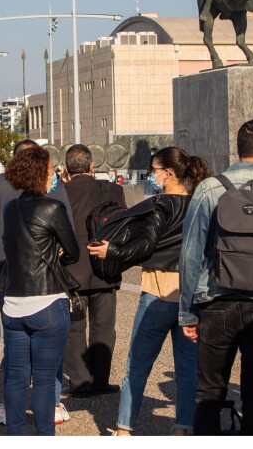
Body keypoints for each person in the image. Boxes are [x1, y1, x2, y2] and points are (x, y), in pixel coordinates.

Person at [179, 119, 253, 435]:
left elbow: (190, 255)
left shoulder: (209, 188)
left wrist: (188, 312)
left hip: (217, 300)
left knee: (209, 391)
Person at [91, 147, 208, 436]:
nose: (150, 175)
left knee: (138, 365)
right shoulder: (199, 203)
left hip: (157, 290)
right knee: (187, 368)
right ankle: (182, 429)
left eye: (153, 170)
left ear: (167, 173)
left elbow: (146, 245)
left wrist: (112, 251)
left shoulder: (160, 205)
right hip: (189, 295)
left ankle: (124, 429)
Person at [0, 139, 75, 426]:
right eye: (50, 169)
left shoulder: (1, 194)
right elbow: (71, 244)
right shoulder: (54, 198)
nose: (54, 174)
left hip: (12, 285)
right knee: (47, 372)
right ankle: (52, 409)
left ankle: (12, 418)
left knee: (16, 368)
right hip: (47, 290)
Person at [61, 144, 126, 397]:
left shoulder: (60, 192)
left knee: (74, 328)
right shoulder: (113, 190)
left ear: (66, 168)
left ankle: (79, 382)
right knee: (104, 328)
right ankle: (100, 380)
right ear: (91, 165)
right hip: (105, 267)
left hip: (72, 271)